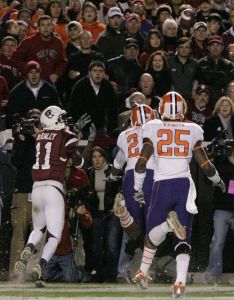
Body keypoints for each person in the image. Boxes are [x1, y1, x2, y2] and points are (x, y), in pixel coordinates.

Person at [133, 91, 225, 297]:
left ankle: (143, 271)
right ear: (182, 109)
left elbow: (140, 163)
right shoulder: (192, 129)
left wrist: (137, 188)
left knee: (151, 236)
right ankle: (179, 283)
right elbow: (206, 166)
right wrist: (218, 180)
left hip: (161, 186)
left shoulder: (153, 126)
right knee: (184, 239)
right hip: (183, 185)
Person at [14, 105, 83, 287]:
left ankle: (29, 247)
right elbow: (79, 160)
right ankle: (42, 265)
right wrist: (75, 132)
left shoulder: (40, 137)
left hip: (35, 189)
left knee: (38, 229)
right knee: (54, 236)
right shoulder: (65, 137)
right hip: (53, 188)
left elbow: (40, 132)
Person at [9, 108, 41, 279]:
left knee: (39, 234)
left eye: (37, 120)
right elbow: (15, 161)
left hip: (40, 192)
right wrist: (21, 140)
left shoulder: (44, 140)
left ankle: (35, 272)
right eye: (31, 120)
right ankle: (15, 274)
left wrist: (38, 138)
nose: (33, 124)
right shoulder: (21, 140)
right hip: (22, 190)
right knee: (19, 234)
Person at [6, 61, 60, 128]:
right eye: (31, 72)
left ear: (40, 73)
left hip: (47, 129)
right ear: (26, 74)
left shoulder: (50, 90)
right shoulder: (16, 92)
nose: (34, 75)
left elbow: (58, 111)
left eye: (36, 72)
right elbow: (11, 115)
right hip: (24, 131)